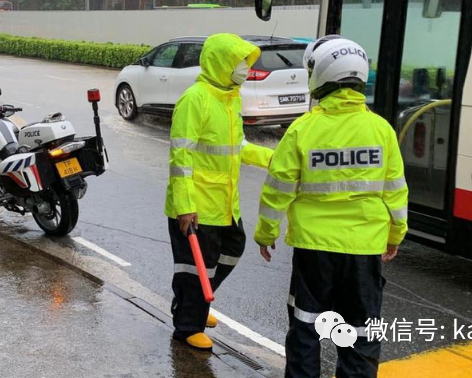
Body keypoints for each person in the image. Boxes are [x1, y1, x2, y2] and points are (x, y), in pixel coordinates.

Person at [255, 35, 408, 378]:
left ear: (319, 76)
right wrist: (396, 233)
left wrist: (266, 233)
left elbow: (276, 190)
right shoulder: (380, 130)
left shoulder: (303, 130)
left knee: (306, 330)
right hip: (364, 249)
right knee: (361, 334)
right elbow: (395, 191)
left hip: (314, 250)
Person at [165, 33, 274, 351]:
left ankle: (192, 303)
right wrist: (185, 205)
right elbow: (180, 157)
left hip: (226, 204)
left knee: (232, 250)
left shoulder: (230, 100)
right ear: (221, 64)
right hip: (195, 205)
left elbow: (237, 147)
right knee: (194, 266)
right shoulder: (195, 98)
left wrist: (271, 159)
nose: (244, 68)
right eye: (240, 62)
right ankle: (187, 327)